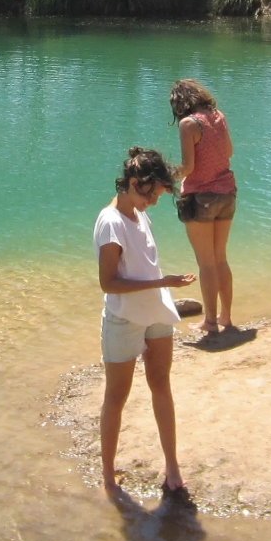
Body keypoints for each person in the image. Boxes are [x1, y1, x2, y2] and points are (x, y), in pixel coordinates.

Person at [94, 147, 196, 497]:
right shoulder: (111, 223)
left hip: (155, 313)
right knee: (117, 396)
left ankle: (172, 467)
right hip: (124, 318)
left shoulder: (136, 209)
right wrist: (164, 283)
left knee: (161, 386)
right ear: (135, 184)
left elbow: (176, 174)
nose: (154, 202)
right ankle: (108, 477)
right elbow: (108, 283)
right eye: (151, 195)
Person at [170, 79, 237, 337]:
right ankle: (225, 317)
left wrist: (163, 179)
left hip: (201, 197)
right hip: (227, 193)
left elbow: (187, 168)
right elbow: (228, 151)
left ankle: (210, 322)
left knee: (206, 263)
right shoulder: (218, 116)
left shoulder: (189, 124)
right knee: (220, 257)